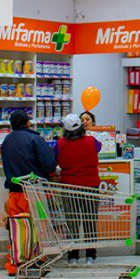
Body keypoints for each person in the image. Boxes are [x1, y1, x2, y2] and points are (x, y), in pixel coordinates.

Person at [0, 109, 57, 274]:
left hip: (14, 192)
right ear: (28, 122)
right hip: (34, 193)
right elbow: (49, 164)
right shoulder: (35, 139)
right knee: (38, 227)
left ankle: (16, 264)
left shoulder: (6, 141)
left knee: (18, 229)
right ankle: (38, 261)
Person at [55, 113, 101, 264]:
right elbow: (99, 148)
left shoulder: (60, 144)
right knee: (90, 219)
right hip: (90, 185)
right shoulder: (92, 141)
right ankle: (90, 255)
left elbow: (53, 159)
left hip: (69, 186)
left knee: (72, 221)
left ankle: (73, 255)